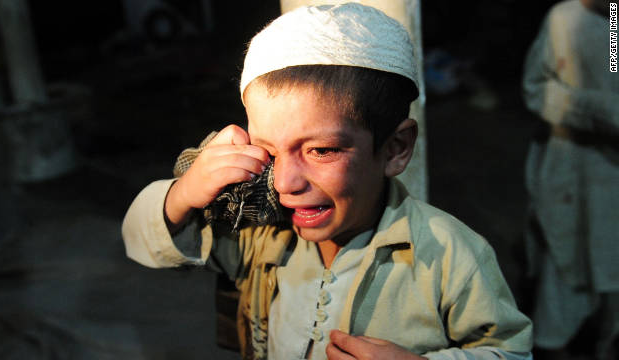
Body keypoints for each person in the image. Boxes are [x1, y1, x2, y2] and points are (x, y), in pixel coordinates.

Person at [123, 3, 532, 359]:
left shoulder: (450, 255)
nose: (285, 183)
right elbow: (142, 243)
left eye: (321, 150)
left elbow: (510, 350)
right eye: (269, 151)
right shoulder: (258, 231)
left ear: (395, 148)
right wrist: (184, 193)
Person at [522, 1, 619, 359]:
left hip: (612, 183)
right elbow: (536, 89)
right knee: (567, 267)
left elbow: (613, 59)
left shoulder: (612, 26)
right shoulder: (567, 20)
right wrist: (600, 110)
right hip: (575, 174)